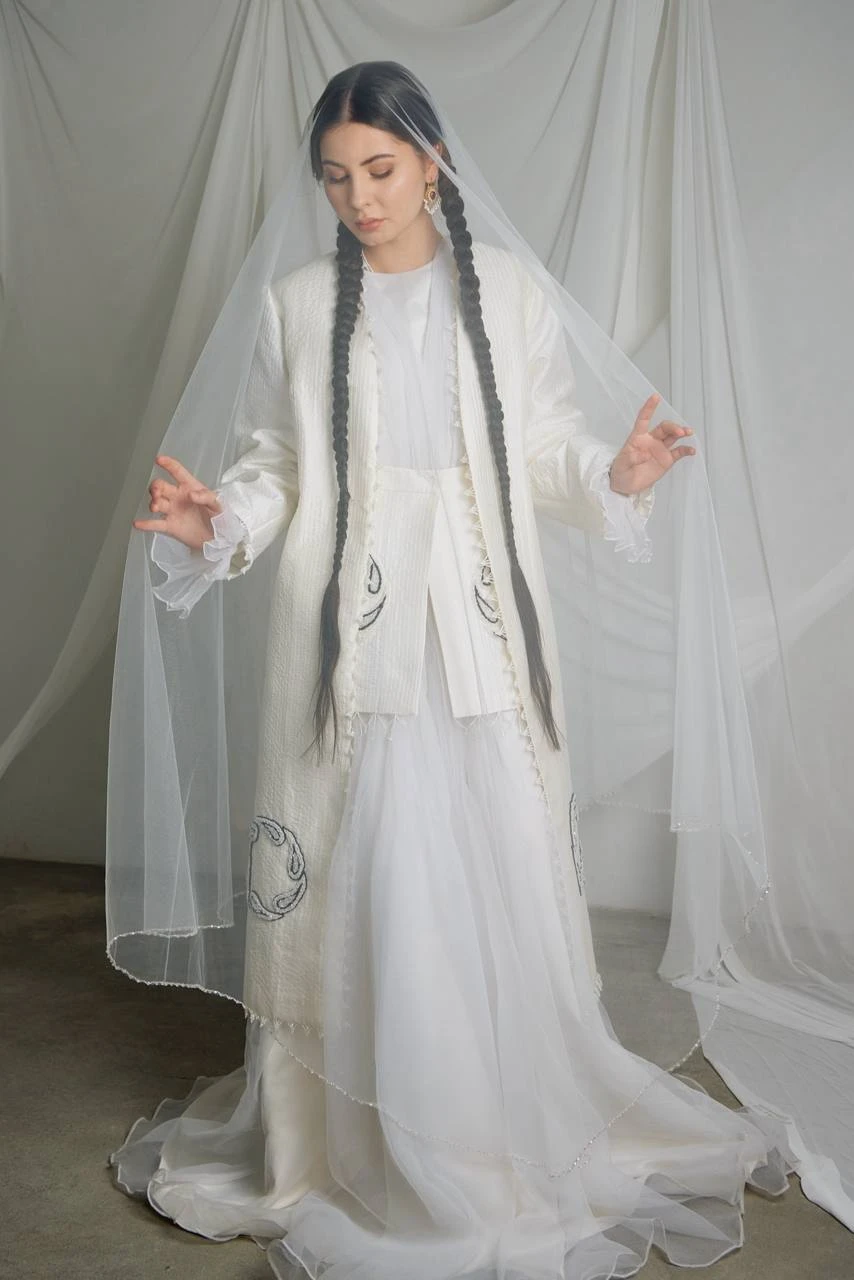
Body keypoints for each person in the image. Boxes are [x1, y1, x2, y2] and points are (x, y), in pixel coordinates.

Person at [107, 61, 793, 1279]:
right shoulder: (297, 306)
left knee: (490, 870)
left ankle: (485, 1132)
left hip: (475, 638)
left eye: (379, 169)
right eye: (335, 178)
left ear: (431, 163)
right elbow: (277, 465)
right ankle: (358, 1139)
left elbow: (542, 444)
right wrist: (223, 521)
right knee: (368, 870)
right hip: (351, 642)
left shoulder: (507, 297)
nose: (359, 198)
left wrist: (615, 473)